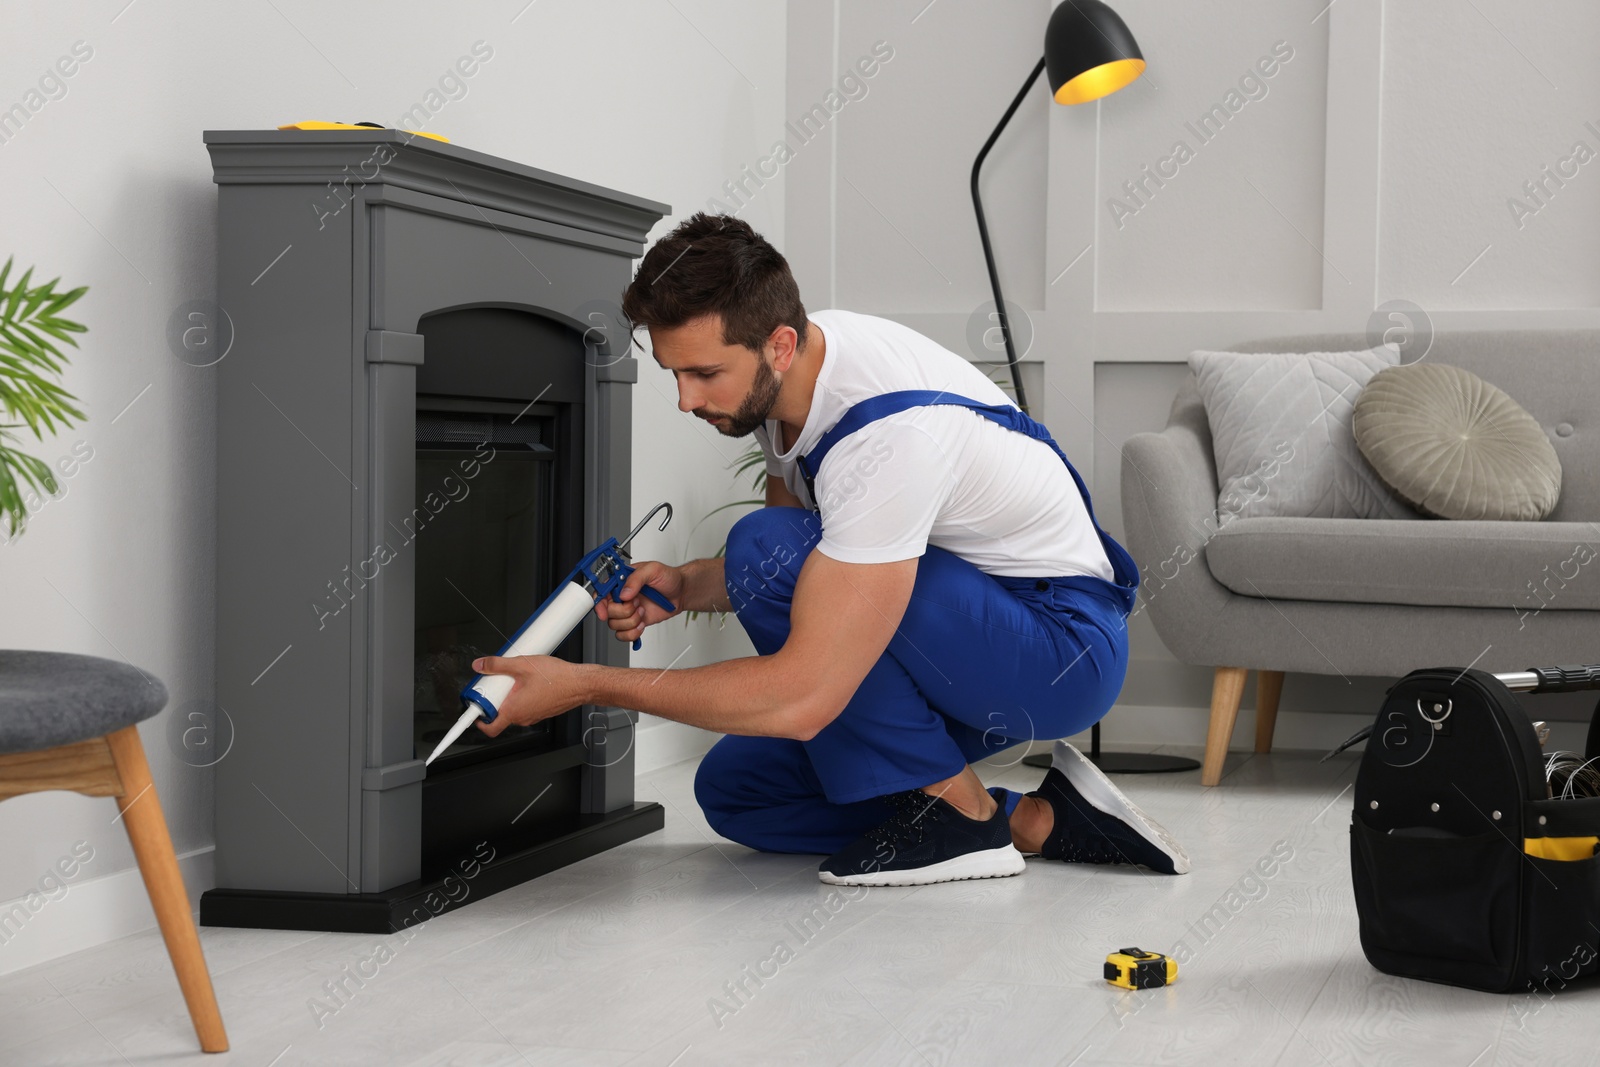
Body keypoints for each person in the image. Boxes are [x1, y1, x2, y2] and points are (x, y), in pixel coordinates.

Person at [470, 212, 1189, 886]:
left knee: (760, 547)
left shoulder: (889, 437)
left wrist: (587, 685)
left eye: (703, 374)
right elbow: (815, 567)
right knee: (739, 791)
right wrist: (687, 585)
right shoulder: (786, 380)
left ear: (777, 344)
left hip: (1058, 654)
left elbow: (805, 692)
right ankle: (1031, 818)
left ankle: (963, 823)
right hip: (968, 641)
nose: (686, 400)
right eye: (674, 374)